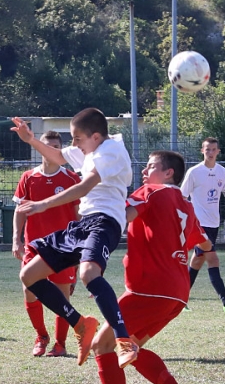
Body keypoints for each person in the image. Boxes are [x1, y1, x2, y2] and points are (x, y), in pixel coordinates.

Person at [83, 151, 212, 384]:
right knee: (128, 346)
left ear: (168, 173)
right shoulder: (186, 205)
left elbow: (121, 217)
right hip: (176, 293)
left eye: (151, 166)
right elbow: (205, 244)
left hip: (148, 289)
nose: (144, 172)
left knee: (102, 345)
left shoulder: (151, 192)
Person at [10, 108, 137, 367]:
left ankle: (124, 340)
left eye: (77, 138)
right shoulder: (90, 149)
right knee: (29, 275)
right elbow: (59, 156)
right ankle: (80, 324)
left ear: (96, 136)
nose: (74, 144)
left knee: (88, 274)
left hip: (105, 222)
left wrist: (42, 204)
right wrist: (31, 140)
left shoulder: (110, 151)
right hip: (83, 224)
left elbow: (85, 186)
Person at [11, 130, 80, 357]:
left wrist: (79, 248)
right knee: (29, 290)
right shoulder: (29, 177)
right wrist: (16, 239)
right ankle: (41, 336)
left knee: (62, 295)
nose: (51, 150)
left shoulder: (71, 179)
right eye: (47, 146)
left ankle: (60, 344)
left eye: (55, 147)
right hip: (34, 245)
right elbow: (20, 210)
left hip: (63, 247)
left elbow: (79, 215)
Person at [180, 137, 225, 313]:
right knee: (213, 259)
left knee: (197, 262)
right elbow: (182, 198)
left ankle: (179, 300)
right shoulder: (194, 172)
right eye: (207, 149)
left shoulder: (222, 172)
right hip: (198, 224)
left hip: (213, 224)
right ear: (202, 151)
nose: (210, 152)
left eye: (213, 149)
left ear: (218, 152)